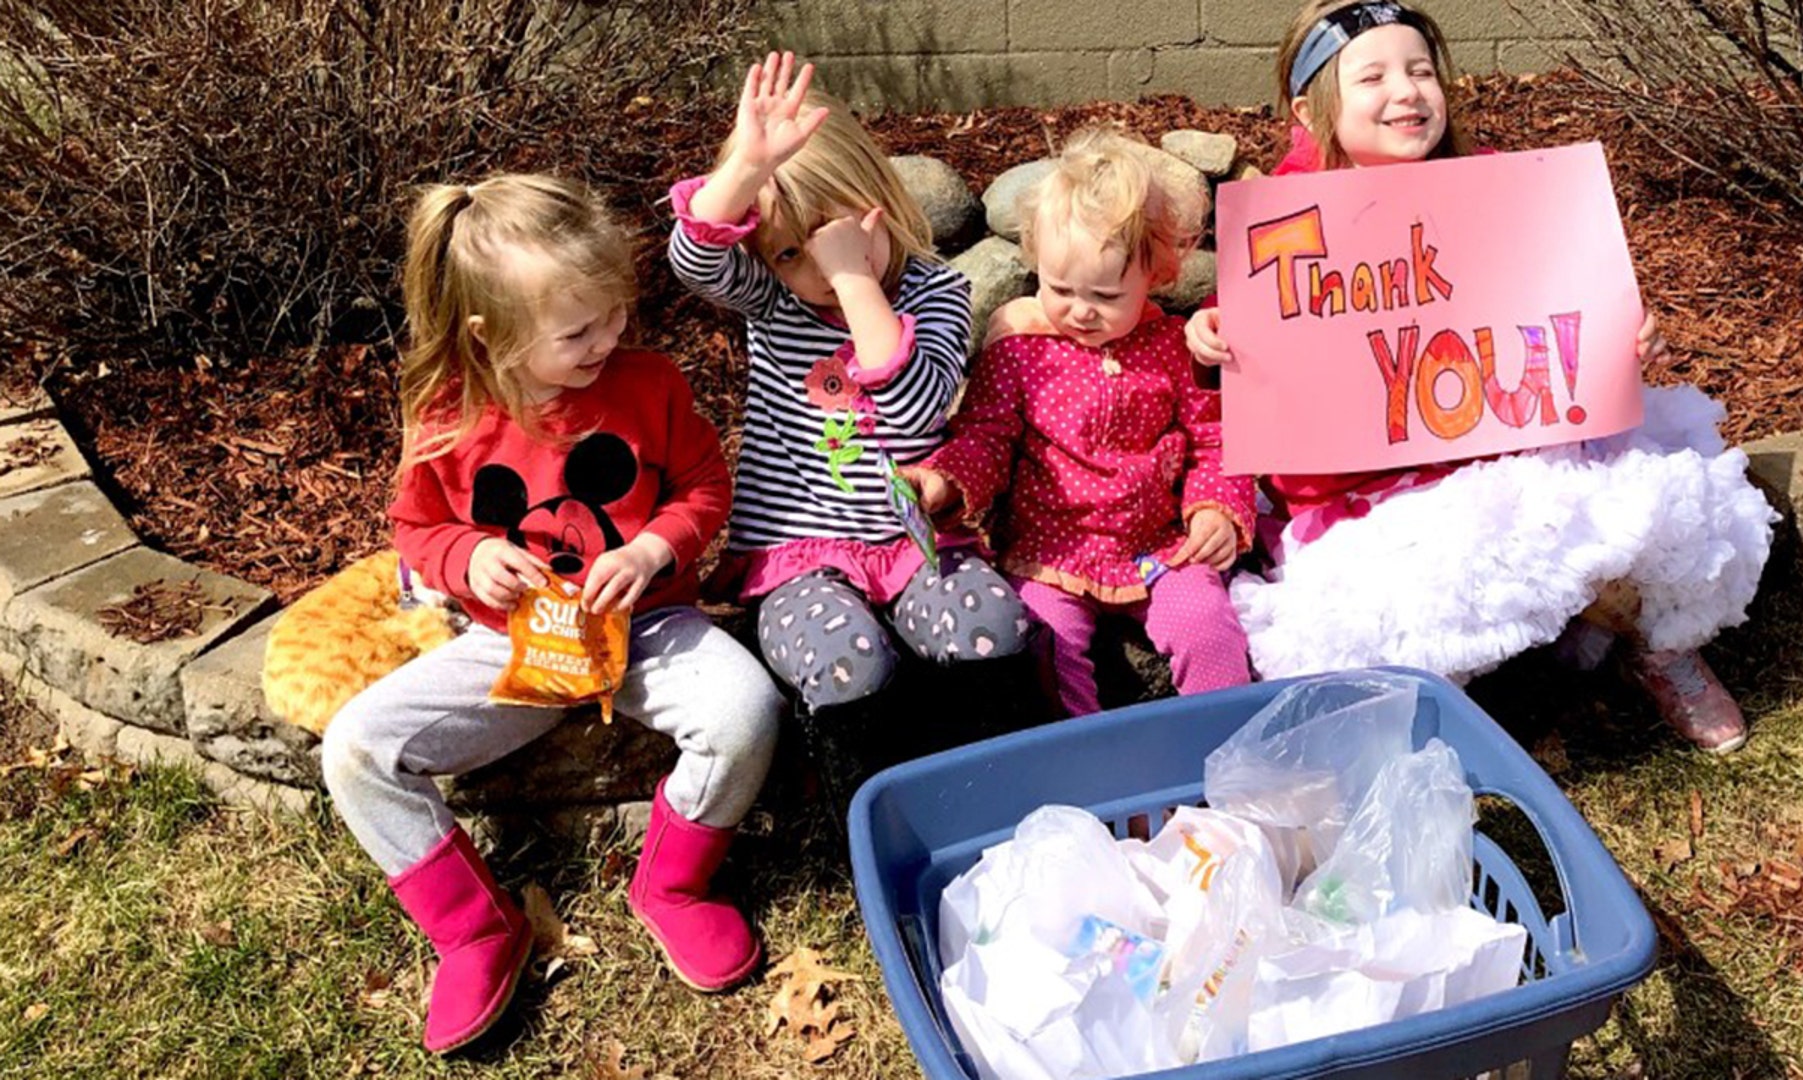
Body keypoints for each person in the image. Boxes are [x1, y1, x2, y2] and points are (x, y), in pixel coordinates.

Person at [1186, 0, 1775, 753]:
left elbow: (1568, 295)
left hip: (1506, 448)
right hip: (1371, 491)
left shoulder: (1493, 186)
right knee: (1403, 604)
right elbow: (1249, 319)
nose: (1406, 92)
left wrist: (1624, 331)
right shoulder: (1287, 219)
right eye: (1373, 77)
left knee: (1619, 511)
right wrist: (1211, 332)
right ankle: (1442, 735)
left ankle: (1657, 647)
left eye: (1421, 70)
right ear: (1311, 108)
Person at [321, 175, 785, 1054]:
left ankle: (675, 885)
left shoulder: (648, 384)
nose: (606, 341)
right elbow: (417, 528)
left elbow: (703, 487)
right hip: (507, 646)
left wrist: (653, 550)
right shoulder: (448, 415)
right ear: (489, 336)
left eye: (614, 315)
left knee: (745, 710)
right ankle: (473, 929)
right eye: (578, 332)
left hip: (648, 627)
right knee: (355, 748)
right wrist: (468, 557)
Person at [669, 52, 1029, 714]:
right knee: (846, 664)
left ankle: (985, 799)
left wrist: (855, 280)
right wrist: (746, 167)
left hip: (914, 546)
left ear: (880, 201)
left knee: (995, 631)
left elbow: (914, 411)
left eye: (830, 235)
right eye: (788, 253)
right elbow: (694, 258)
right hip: (797, 556)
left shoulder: (939, 292)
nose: (816, 267)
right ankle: (861, 810)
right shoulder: (773, 299)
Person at [904, 128, 1257, 717]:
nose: (1079, 309)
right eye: (1058, 288)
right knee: (1042, 646)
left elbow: (1212, 438)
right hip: (1049, 556)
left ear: (1157, 275)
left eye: (1105, 294)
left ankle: (1229, 758)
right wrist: (943, 482)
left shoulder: (1174, 347)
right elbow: (987, 437)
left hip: (1159, 549)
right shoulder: (1020, 353)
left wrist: (1217, 508)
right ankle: (1080, 777)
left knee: (1207, 626)